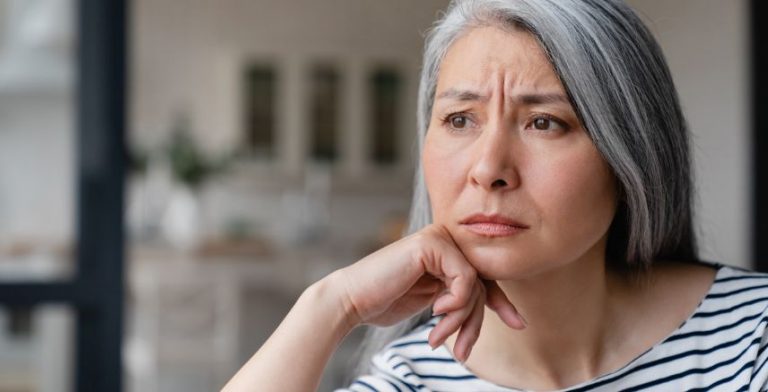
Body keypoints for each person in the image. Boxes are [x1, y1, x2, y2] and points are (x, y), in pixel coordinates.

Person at [222, 0, 768, 390]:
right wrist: (330, 305)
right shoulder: (412, 381)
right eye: (460, 119)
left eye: (545, 123)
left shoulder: (753, 342)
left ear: (629, 156)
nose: (488, 169)